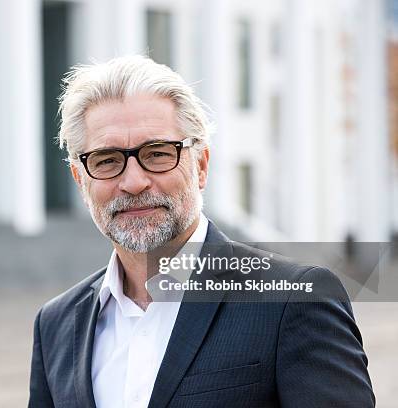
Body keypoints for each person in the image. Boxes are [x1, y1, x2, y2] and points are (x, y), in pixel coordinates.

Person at [28, 55, 374, 407]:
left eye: (158, 153)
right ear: (80, 180)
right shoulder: (56, 325)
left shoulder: (293, 299)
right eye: (106, 161)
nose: (133, 182)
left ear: (201, 165)